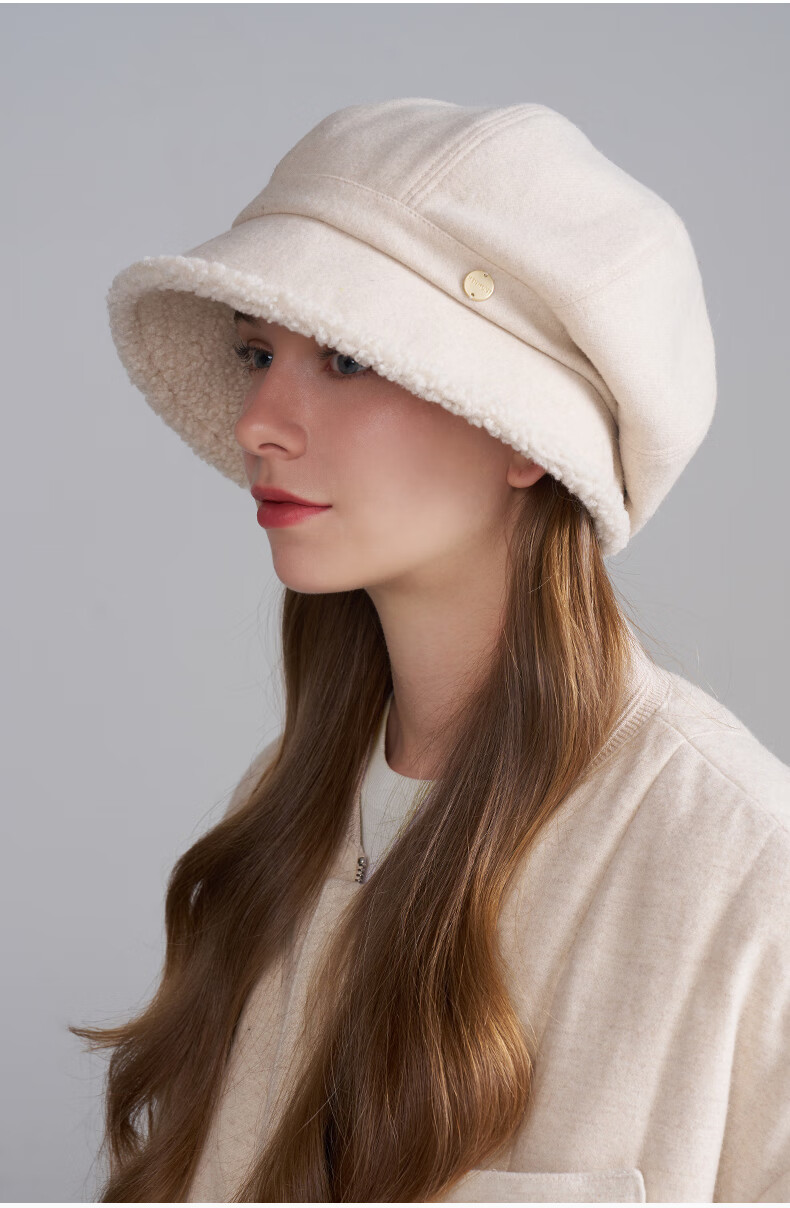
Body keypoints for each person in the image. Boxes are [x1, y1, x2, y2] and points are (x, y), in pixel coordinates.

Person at [72, 99, 790, 1203]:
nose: (259, 419)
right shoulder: (289, 805)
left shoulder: (739, 869)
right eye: (258, 351)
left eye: (346, 356)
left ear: (525, 438)